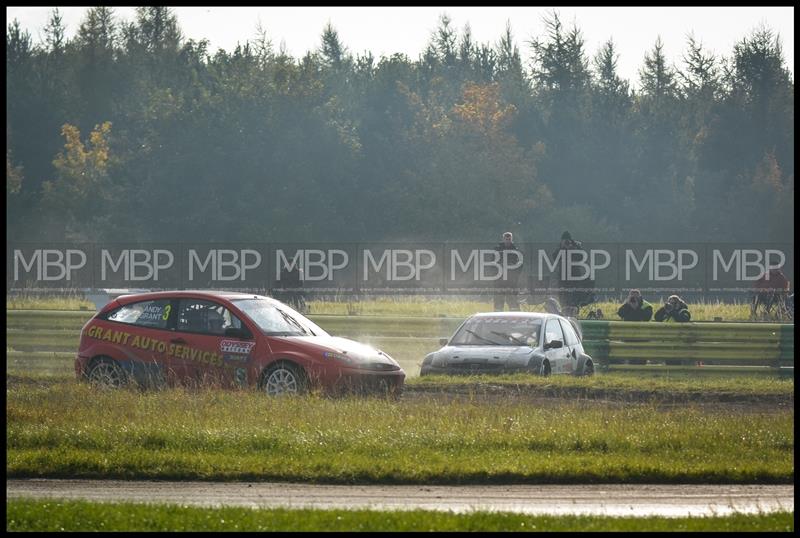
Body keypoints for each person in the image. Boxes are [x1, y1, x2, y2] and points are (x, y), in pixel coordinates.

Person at [552, 230, 595, 317]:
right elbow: (554, 257)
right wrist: (562, 247)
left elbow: (582, 256)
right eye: (565, 241)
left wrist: (575, 246)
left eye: (568, 241)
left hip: (575, 277)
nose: (567, 243)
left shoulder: (575, 248)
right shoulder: (560, 249)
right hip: (563, 278)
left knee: (574, 298)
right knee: (563, 298)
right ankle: (564, 313)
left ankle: (574, 313)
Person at [493, 232, 522, 311]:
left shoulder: (516, 250)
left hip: (511, 281)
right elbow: (492, 264)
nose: (508, 241)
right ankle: (497, 316)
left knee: (513, 302)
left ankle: (515, 317)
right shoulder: (497, 250)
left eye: (509, 239)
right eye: (506, 239)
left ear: (511, 239)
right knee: (498, 302)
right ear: (503, 239)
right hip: (499, 280)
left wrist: (515, 276)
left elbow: (519, 265)